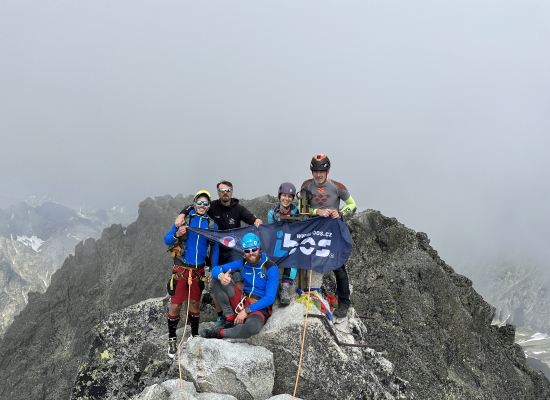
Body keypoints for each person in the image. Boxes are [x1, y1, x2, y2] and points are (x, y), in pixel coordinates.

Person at [175, 180, 263, 326]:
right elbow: (193, 206)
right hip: (216, 250)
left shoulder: (238, 208)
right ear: (218, 193)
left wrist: (257, 220)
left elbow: (250, 218)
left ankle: (239, 309)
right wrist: (182, 214)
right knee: (215, 281)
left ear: (232, 192)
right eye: (222, 190)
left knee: (238, 277)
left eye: (228, 190)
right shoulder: (212, 206)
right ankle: (221, 315)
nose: (225, 193)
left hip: (233, 250)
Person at [164, 190, 219, 358]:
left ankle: (194, 335)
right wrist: (176, 234)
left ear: (209, 206)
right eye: (199, 202)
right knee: (176, 305)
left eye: (205, 203)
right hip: (181, 269)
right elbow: (167, 239)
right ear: (194, 204)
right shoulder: (185, 220)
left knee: (195, 304)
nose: (202, 206)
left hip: (198, 271)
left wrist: (214, 269)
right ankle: (172, 338)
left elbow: (215, 247)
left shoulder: (211, 225)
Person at [300, 154, 356, 318]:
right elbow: (301, 208)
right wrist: (316, 211)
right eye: (315, 171)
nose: (318, 174)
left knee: (338, 265)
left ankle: (344, 303)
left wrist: (339, 213)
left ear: (328, 171)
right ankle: (307, 293)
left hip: (332, 231)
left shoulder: (337, 187)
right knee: (307, 261)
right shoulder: (306, 186)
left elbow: (352, 204)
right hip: (313, 230)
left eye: (322, 171)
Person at [201, 233, 279, 339]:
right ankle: (230, 318)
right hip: (241, 300)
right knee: (215, 280)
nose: (251, 253)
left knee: (252, 327)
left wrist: (246, 311)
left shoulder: (270, 267)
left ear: (259, 248)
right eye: (247, 251)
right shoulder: (243, 263)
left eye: (254, 249)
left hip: (259, 307)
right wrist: (221, 276)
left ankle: (220, 333)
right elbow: (216, 269)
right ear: (243, 252)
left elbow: (270, 298)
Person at [267, 182, 299, 306]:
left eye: (289, 196)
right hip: (278, 242)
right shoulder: (273, 213)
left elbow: (305, 224)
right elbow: (270, 231)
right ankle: (271, 290)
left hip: (292, 242)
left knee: (294, 257)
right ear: (280, 196)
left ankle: (285, 287)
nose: (286, 199)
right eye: (284, 196)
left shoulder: (296, 211)